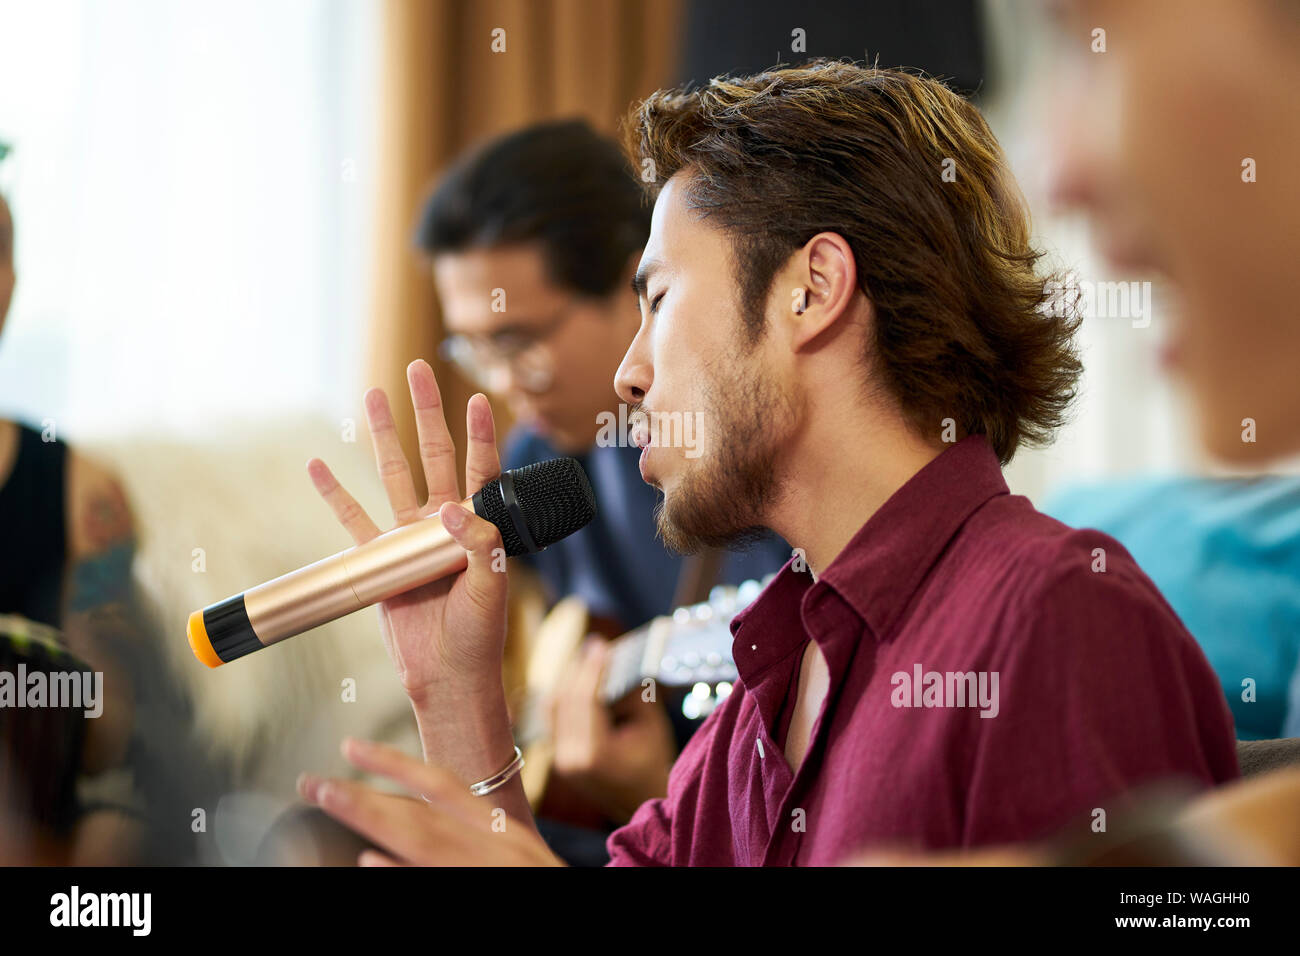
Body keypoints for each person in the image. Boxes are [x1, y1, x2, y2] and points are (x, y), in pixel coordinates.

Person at [295, 60, 1238, 865]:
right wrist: (456, 697)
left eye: (658, 299)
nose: (629, 377)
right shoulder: (765, 687)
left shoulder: (1060, 622)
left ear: (813, 290)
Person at [412, 121, 790, 852]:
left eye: (519, 342)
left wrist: (661, 789)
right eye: (474, 348)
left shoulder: (748, 471)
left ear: (636, 287)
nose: (501, 385)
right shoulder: (536, 462)